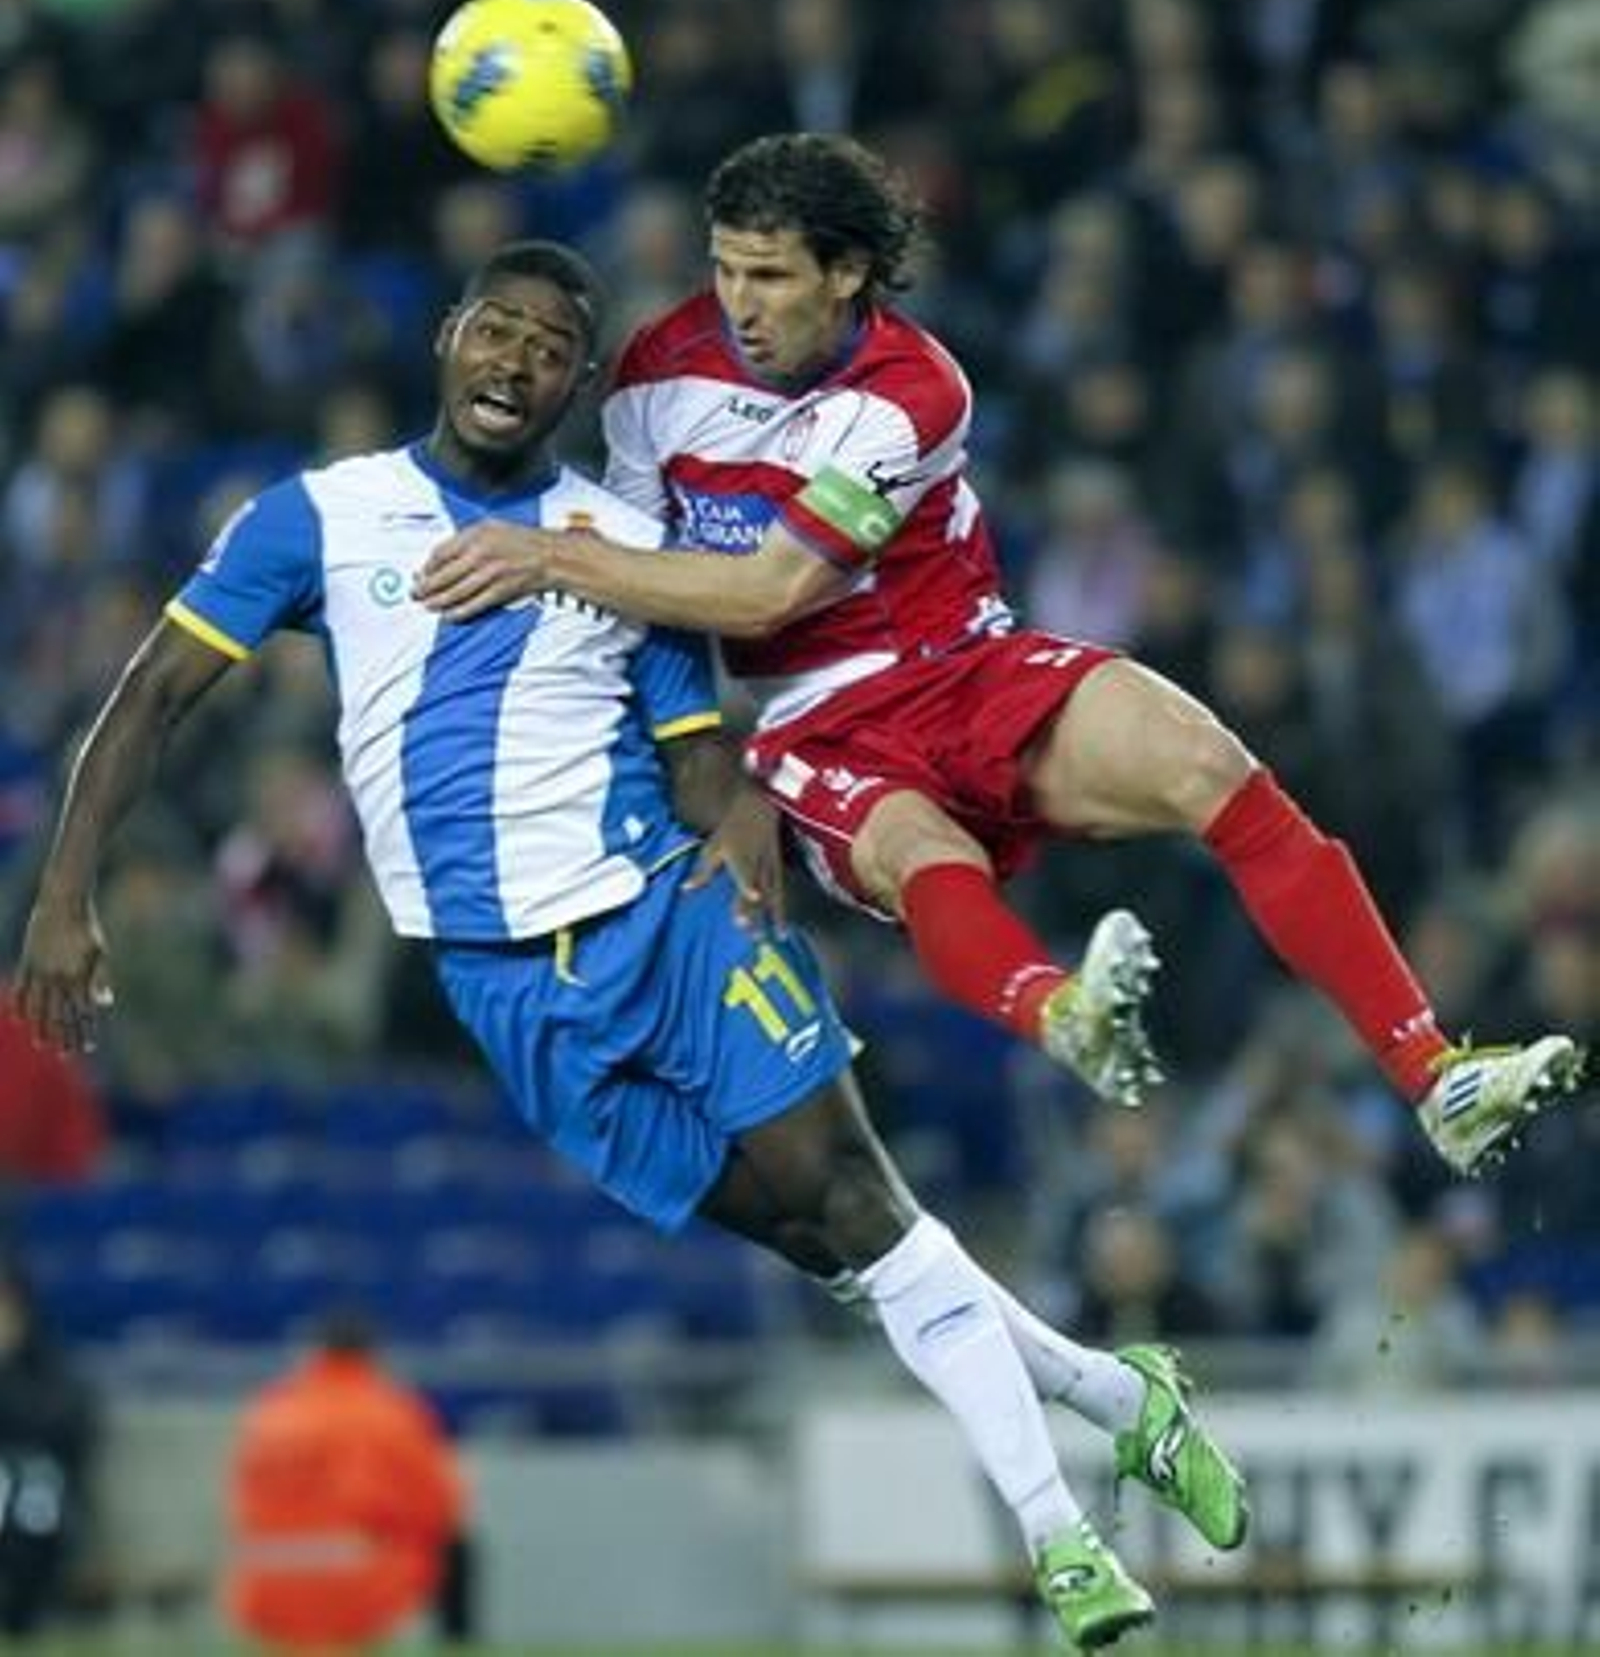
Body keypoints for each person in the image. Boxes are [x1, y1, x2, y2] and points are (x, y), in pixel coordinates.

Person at [15, 239, 1247, 1649]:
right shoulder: (318, 519)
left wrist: (737, 827)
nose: (518, 361)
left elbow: (697, 756)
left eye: (551, 348)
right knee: (837, 1245)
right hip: (500, 986)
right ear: (449, 339)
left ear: (577, 384)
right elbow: (153, 692)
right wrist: (66, 890)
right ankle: (1119, 1395)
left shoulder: (623, 550)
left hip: (664, 917)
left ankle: (1063, 1540)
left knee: (856, 1201)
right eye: (499, 330)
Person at [412, 132, 1588, 1178]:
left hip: (969, 662)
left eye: (769, 275)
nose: (739, 302)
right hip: (814, 719)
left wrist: (548, 559)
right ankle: (1060, 1012)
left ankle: (1433, 1076)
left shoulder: (913, 392)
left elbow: (768, 586)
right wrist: (696, 767)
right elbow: (644, 588)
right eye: (724, 268)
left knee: (1213, 768)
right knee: (923, 846)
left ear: (848, 274)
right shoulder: (657, 378)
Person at [223, 1308, 467, 1657]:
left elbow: (239, 1499)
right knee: (450, 1549)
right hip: (351, 1581)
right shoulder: (386, 1411)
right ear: (372, 1355)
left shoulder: (271, 1411)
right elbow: (440, 1506)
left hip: (262, 1581)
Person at [0, 1256, 97, 1636]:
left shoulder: (47, 1365)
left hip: (29, 1486)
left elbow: (68, 1426)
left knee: (34, 1494)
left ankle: (22, 1615)